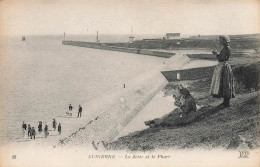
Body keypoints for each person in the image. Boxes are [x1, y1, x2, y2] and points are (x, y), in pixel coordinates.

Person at [210, 35, 235, 107]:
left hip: (223, 67)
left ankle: (227, 102)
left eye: (220, 40)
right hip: (223, 66)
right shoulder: (226, 48)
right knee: (224, 84)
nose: (219, 42)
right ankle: (225, 101)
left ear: (224, 41)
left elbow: (222, 58)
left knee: (225, 84)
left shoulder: (227, 48)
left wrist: (216, 54)